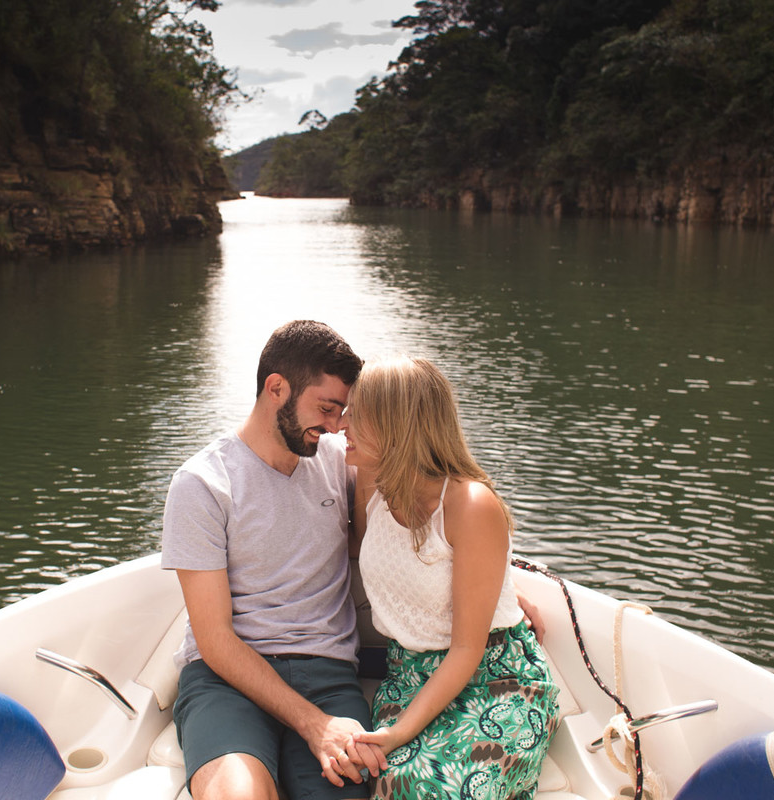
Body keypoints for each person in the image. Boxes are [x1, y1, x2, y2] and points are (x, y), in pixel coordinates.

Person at [161, 320, 385, 800]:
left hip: (327, 674)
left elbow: (411, 520)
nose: (333, 426)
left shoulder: (338, 462)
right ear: (276, 388)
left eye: (342, 412)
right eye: (326, 408)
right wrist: (313, 725)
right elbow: (215, 640)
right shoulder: (202, 484)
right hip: (227, 680)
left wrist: (499, 597)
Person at [339, 356, 560, 800]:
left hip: (497, 677)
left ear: (395, 425)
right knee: (391, 780)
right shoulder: (370, 479)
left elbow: (465, 649)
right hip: (409, 674)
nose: (342, 422)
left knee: (437, 789)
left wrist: (399, 733)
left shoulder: (471, 506)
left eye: (355, 414)